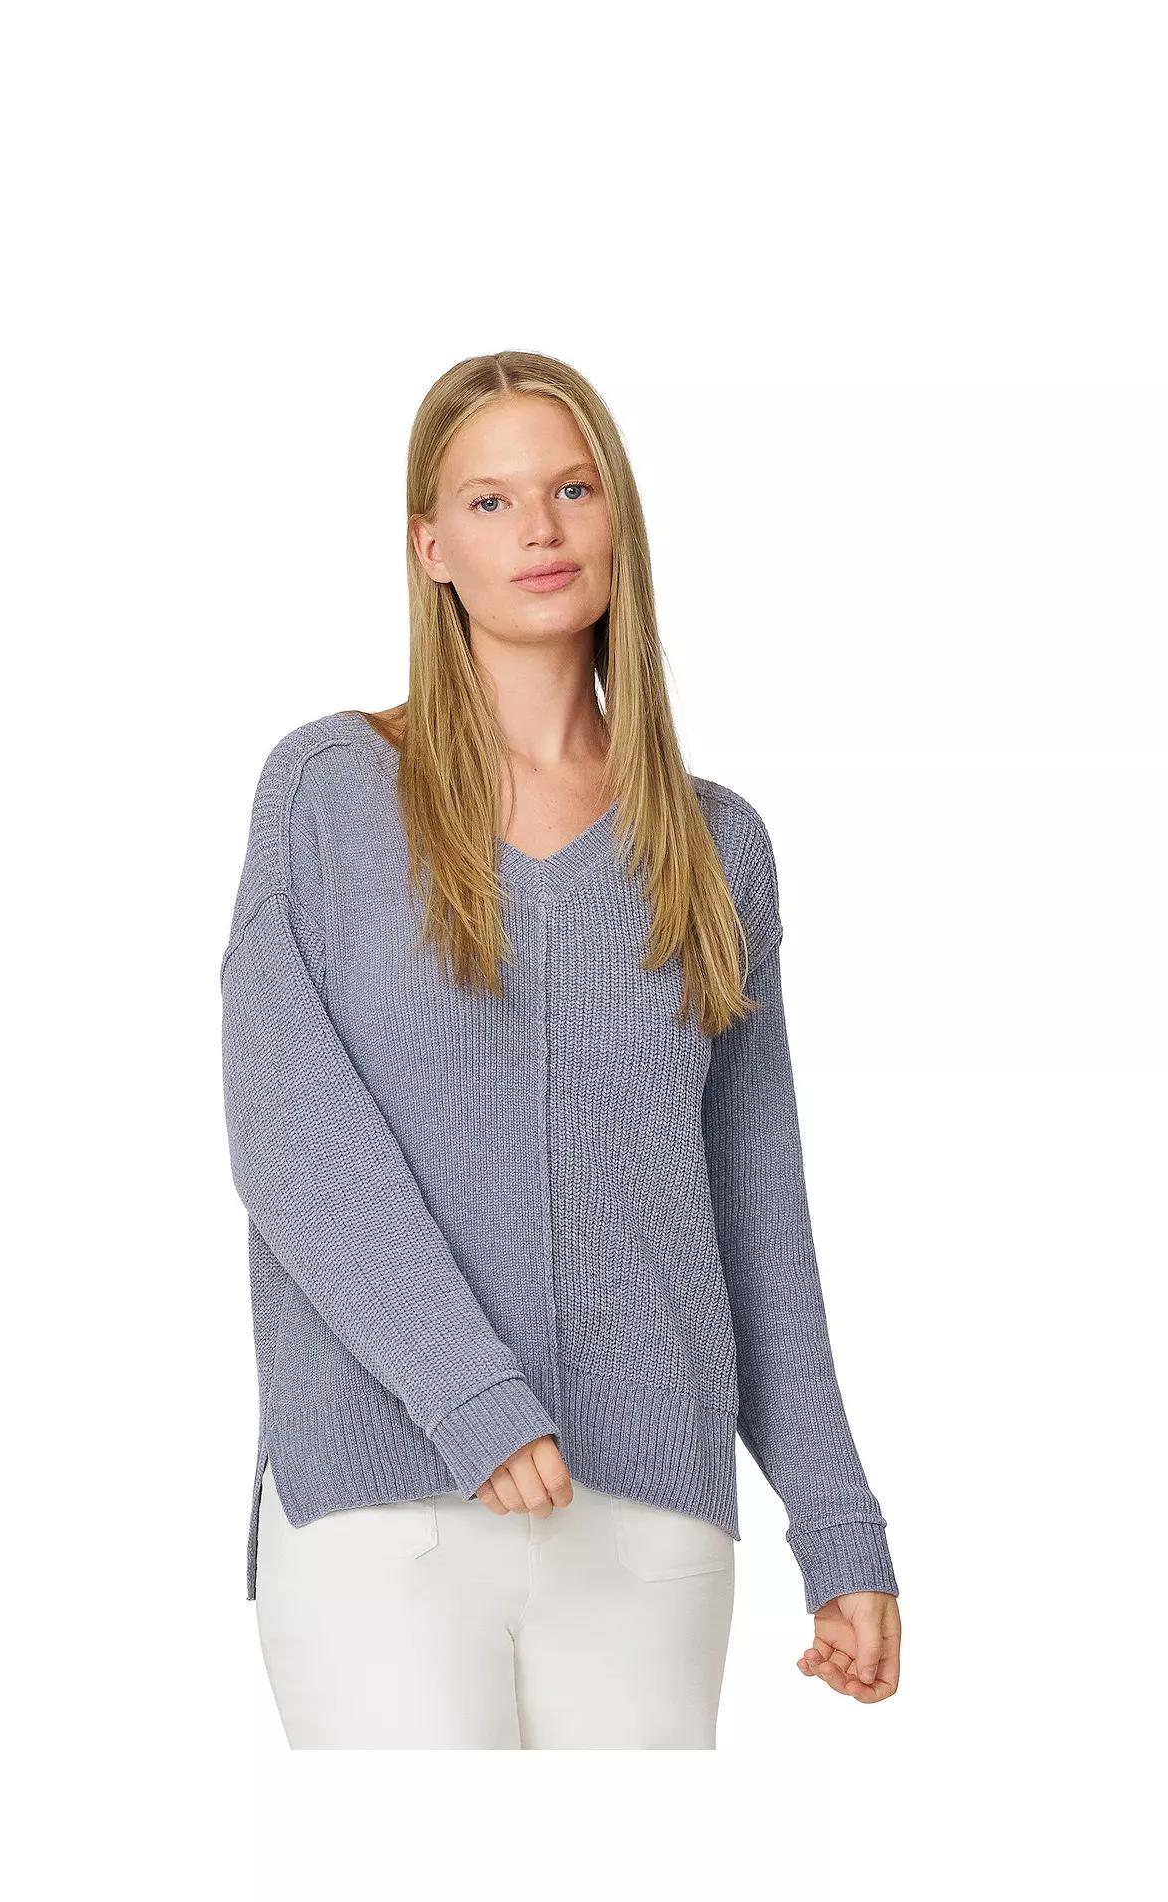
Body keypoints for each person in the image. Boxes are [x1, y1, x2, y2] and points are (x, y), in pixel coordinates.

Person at [219, 350, 903, 1749]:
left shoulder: (716, 848)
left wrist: (837, 1521)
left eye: (572, 490)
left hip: (645, 1522)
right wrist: (472, 1398)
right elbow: (292, 1136)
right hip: (386, 1505)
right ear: (431, 547)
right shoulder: (330, 795)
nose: (538, 529)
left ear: (617, 518)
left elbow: (756, 1214)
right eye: (490, 500)